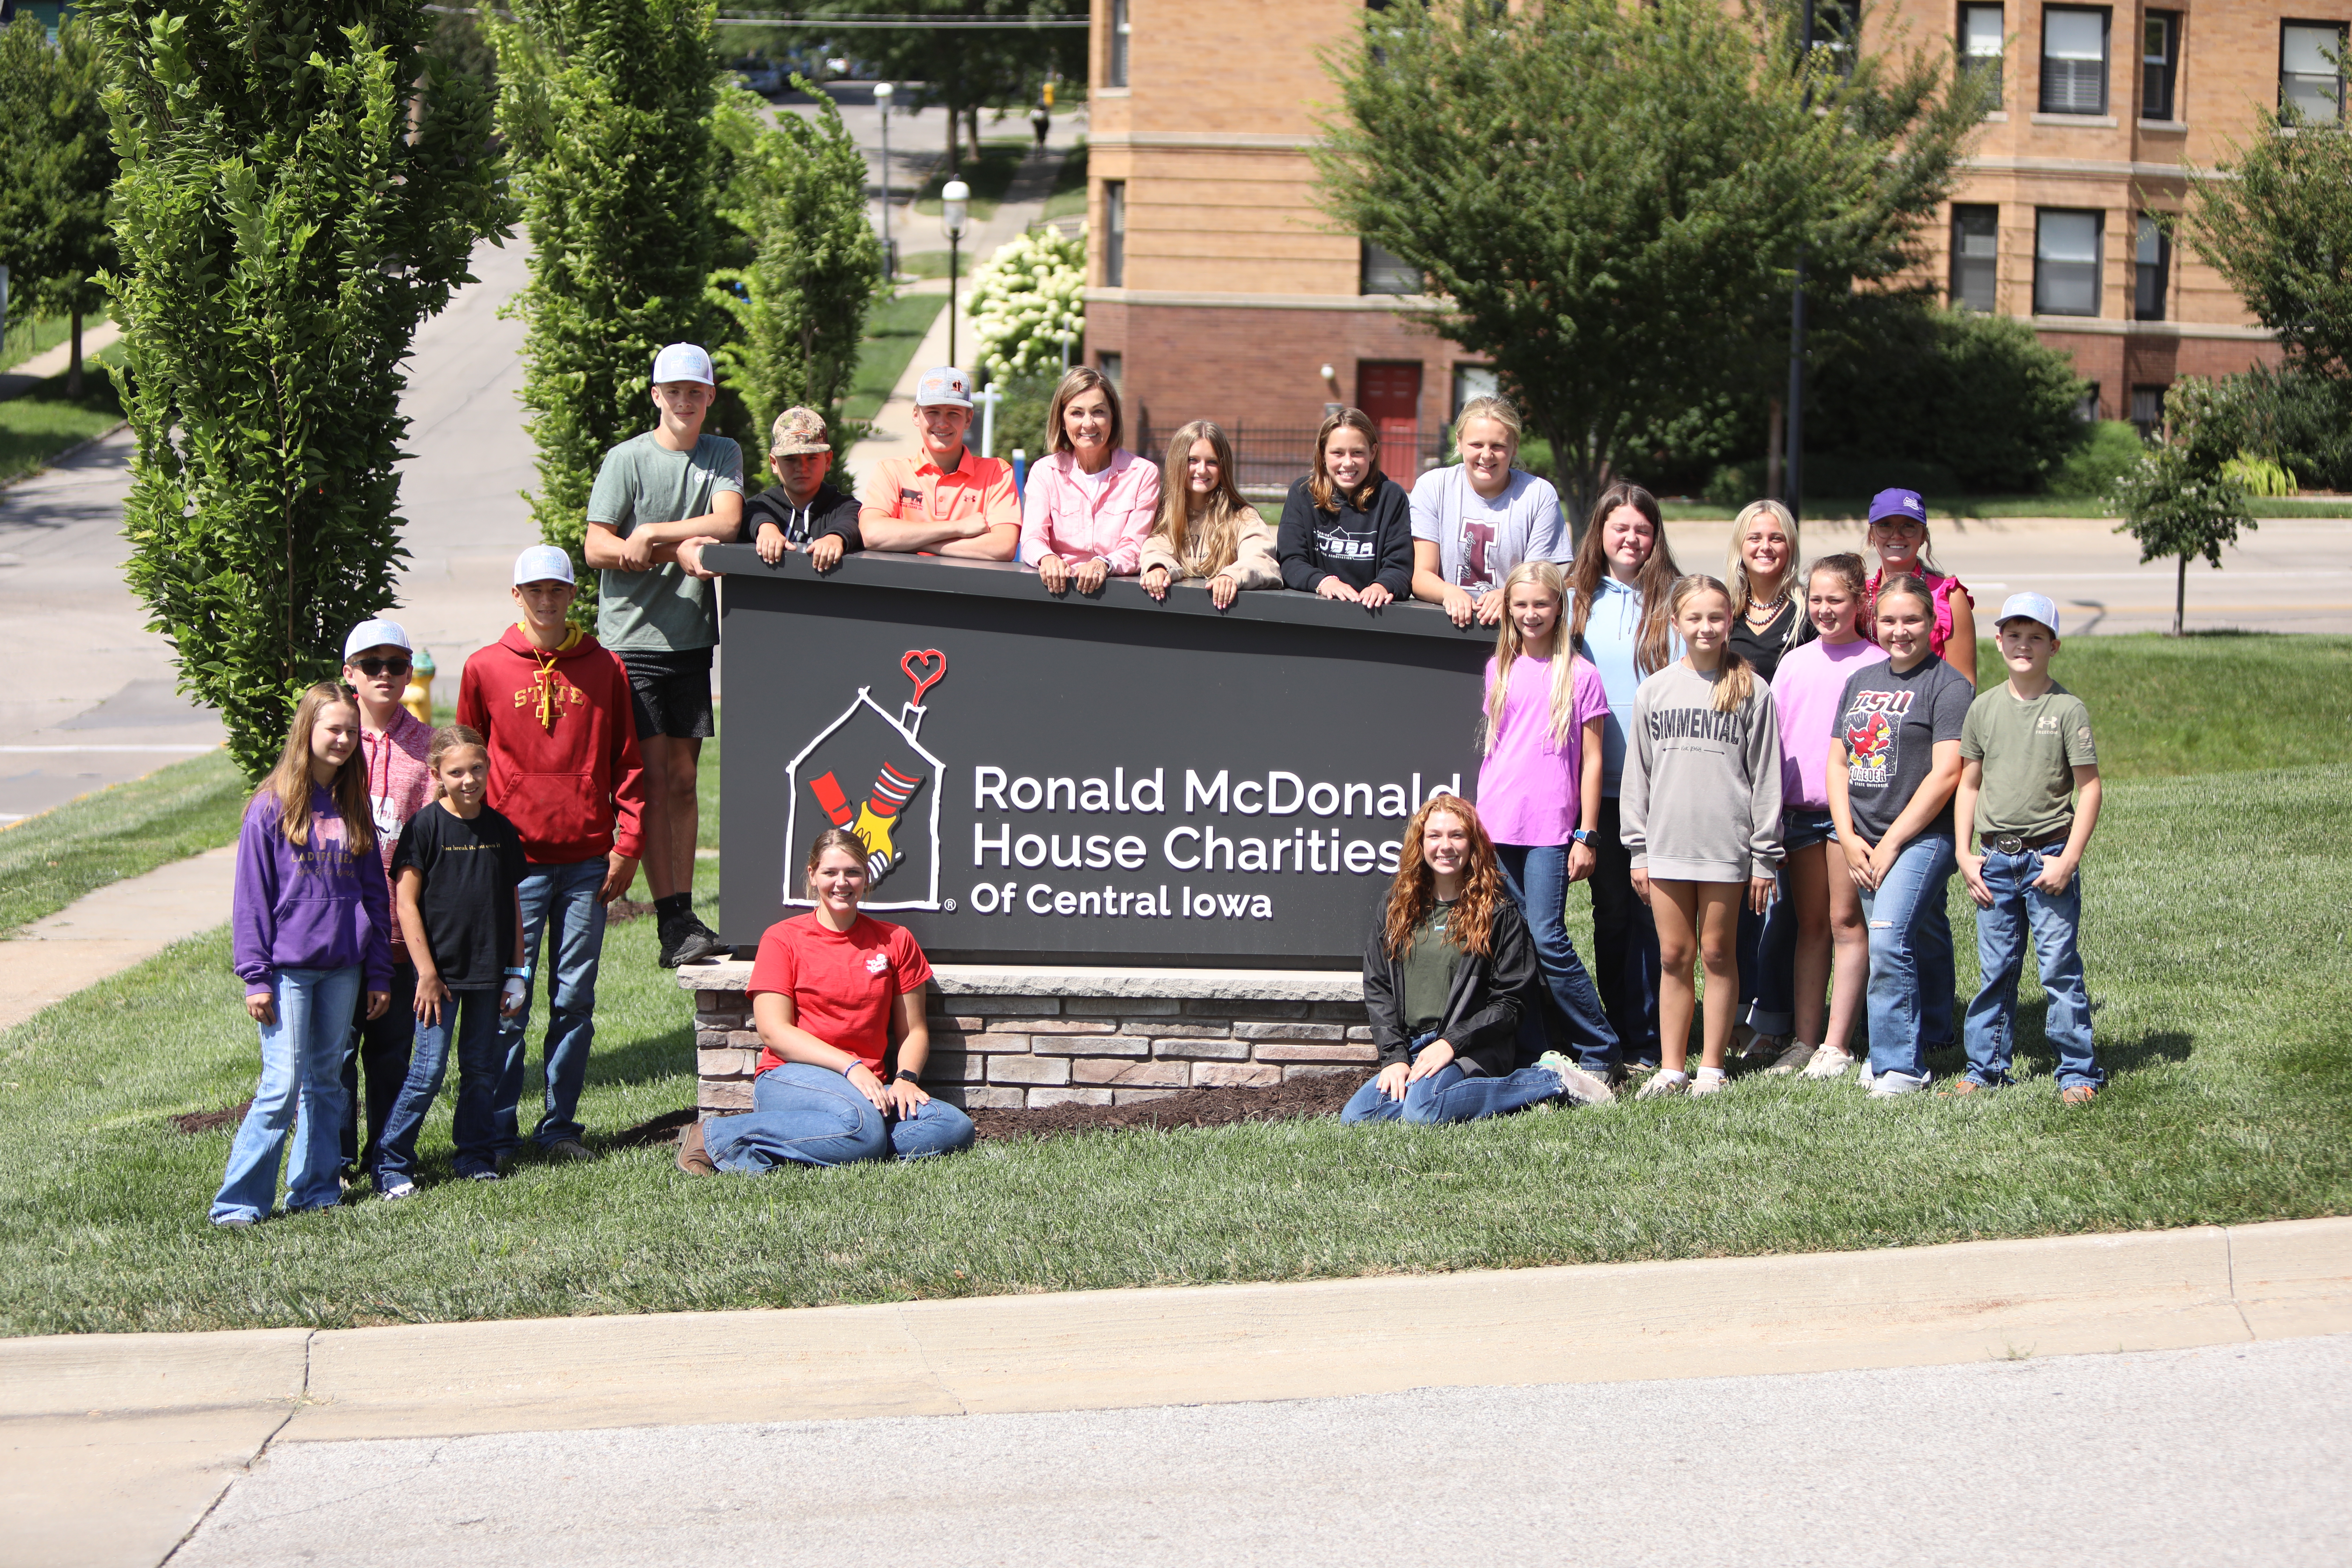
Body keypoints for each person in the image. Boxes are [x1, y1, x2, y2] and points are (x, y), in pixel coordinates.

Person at [456, 545, 648, 1168]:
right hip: (516, 866)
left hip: (589, 862)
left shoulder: (605, 668)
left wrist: (628, 845)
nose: (545, 601)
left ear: (573, 596)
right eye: (533, 591)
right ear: (516, 596)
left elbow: (628, 764)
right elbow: (464, 769)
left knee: (575, 1001)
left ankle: (560, 1127)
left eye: (556, 591)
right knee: (511, 998)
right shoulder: (485, 669)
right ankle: (500, 1129)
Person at [679, 826, 976, 1173]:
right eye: (830, 872)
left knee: (953, 1126)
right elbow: (775, 1032)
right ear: (812, 874)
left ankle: (836, 1142)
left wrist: (906, 1079)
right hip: (791, 1078)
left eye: (852, 872)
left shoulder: (896, 940)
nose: (842, 883)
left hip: (871, 1088)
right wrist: (851, 1067)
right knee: (864, 1128)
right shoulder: (783, 939)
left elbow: (914, 1030)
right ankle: (712, 1136)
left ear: (867, 876)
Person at [582, 341, 743, 968]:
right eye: (673, 391)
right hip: (633, 640)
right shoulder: (626, 460)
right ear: (656, 396)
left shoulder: (721, 453)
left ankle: (682, 916)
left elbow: (728, 522)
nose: (684, 401)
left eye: (695, 392)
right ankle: (671, 920)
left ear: (709, 397)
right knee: (650, 780)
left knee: (682, 781)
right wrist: (657, 550)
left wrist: (654, 532)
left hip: (690, 640)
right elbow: (596, 547)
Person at [211, 684, 392, 1225]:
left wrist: (378, 968)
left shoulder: (352, 802)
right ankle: (238, 1204)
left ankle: (316, 1191)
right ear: (306, 731)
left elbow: (374, 896)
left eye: (351, 731)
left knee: (326, 1083)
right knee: (281, 1086)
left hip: (344, 967)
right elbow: (251, 900)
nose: (342, 739)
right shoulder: (269, 806)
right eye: (332, 728)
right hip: (287, 972)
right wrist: (256, 977)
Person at [1344, 796, 1614, 1125]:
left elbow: (1510, 1003)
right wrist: (1395, 1057)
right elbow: (1378, 987)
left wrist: (1450, 1043)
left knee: (1424, 1110)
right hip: (1415, 1049)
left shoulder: (1499, 912)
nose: (1446, 846)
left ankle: (1552, 1080)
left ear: (1473, 844)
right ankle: (1483, 1099)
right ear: (1420, 843)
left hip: (1474, 1048)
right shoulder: (1395, 907)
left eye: (1457, 836)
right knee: (1358, 1117)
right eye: (1435, 836)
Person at [1620, 576, 1782, 1099]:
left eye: (1716, 617)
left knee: (1717, 953)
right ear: (1676, 624)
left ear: (1730, 622)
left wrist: (1763, 857)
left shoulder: (1753, 690)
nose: (1706, 626)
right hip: (1666, 847)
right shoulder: (1655, 689)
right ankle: (1673, 1067)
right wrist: (1638, 849)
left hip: (1726, 848)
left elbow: (1766, 778)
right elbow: (1638, 777)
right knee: (1674, 956)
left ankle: (1711, 1066)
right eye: (1695, 618)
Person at [1953, 592, 2105, 1104]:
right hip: (1994, 860)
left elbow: (2090, 788)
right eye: (2014, 635)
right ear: (1998, 641)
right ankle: (1986, 1067)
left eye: (2036, 636)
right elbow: (1968, 784)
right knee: (1996, 969)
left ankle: (2077, 1071)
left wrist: (2070, 858)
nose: (2024, 645)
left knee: (2058, 967)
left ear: (2054, 646)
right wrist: (1964, 852)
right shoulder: (1984, 709)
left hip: (2048, 858)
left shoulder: (2067, 709)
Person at [1826, 574, 1974, 1098]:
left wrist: (1890, 845)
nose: (1900, 630)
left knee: (1888, 937)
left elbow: (1946, 775)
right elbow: (1839, 761)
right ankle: (1931, 1030)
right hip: (1862, 835)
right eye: (1889, 620)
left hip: (1920, 836)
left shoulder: (1949, 686)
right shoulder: (1862, 681)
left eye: (1912, 619)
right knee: (1922, 927)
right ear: (1874, 623)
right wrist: (1846, 835)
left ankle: (1898, 1065)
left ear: (1932, 625)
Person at [1474, 560, 1619, 1077]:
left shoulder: (1582, 676)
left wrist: (1586, 832)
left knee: (1549, 937)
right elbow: (1500, 751)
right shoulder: (1500, 668)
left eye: (1541, 604)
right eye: (1521, 605)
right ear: (1508, 610)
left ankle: (1601, 1047)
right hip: (1496, 824)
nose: (1531, 614)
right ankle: (1538, 1049)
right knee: (1514, 941)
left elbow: (1594, 760)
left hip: (1551, 830)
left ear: (1560, 607)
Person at [375, 726, 530, 1195]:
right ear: (437, 773)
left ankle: (475, 1156)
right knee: (427, 1072)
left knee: (481, 1071)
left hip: (490, 973)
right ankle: (392, 1164)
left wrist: (518, 972)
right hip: (439, 979)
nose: (469, 779)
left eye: (477, 769)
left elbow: (514, 905)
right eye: (457, 771)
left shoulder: (500, 830)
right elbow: (405, 903)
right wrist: (425, 973)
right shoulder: (425, 827)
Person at [1565, 481, 1682, 1073]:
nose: (1632, 539)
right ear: (1601, 535)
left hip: (1663, 786)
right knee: (1612, 913)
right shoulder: (1573, 599)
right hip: (1596, 788)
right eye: (1620, 528)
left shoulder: (1677, 601)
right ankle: (1624, 1030)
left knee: (1655, 914)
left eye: (1642, 529)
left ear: (1655, 536)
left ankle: (1660, 1033)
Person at [1759, 555, 1878, 1079]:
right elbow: (1773, 740)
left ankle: (1837, 1043)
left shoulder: (1875, 663)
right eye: (1817, 600)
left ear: (1860, 602)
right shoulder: (1794, 662)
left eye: (1837, 600)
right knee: (1810, 927)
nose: (1825, 610)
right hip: (1800, 814)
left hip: (1850, 816)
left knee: (1845, 923)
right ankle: (1805, 1042)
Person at [337, 617, 434, 1191]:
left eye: (396, 665)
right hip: (340, 935)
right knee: (338, 1055)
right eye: (371, 665)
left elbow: (436, 846)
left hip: (399, 933)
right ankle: (339, 1161)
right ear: (349, 675)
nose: (384, 675)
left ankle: (389, 1157)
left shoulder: (425, 749)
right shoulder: (333, 741)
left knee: (394, 1057)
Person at [1722, 500, 1814, 1060]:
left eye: (1776, 538)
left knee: (1779, 901)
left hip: (1789, 766)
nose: (1765, 546)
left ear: (1790, 546)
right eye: (1754, 537)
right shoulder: (1723, 609)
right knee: (1730, 894)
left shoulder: (1806, 613)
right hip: (1727, 768)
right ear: (1740, 544)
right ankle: (1731, 1014)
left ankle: (1773, 1017)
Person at [1408, 395, 1566, 628]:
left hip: (1515, 632)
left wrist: (1507, 595)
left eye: (1498, 446)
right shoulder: (1433, 487)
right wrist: (1448, 592)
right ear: (1459, 442)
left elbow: (1543, 583)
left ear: (1514, 447)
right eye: (1477, 445)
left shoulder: (1539, 495)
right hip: (1445, 629)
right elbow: (1422, 576)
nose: (1486, 455)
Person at [1020, 366, 1161, 595]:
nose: (1088, 424)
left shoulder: (1143, 474)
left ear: (1113, 418)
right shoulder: (1044, 472)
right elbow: (1032, 539)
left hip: (1117, 597)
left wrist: (1102, 564)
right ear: (1062, 421)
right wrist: (1047, 559)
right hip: (1057, 595)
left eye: (1098, 412)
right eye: (1077, 413)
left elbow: (1135, 548)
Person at [857, 365, 1020, 561]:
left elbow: (1003, 547)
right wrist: (958, 528)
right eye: (933, 412)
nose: (943, 423)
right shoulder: (890, 471)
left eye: (954, 413)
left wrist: (909, 542)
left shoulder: (997, 473)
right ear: (916, 416)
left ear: (968, 419)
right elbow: (872, 535)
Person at [1276, 407, 1413, 609]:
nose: (1348, 463)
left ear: (1373, 452)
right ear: (1323, 454)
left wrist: (1383, 586)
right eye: (1338, 453)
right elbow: (1290, 561)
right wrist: (1324, 582)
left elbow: (1401, 567)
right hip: (1315, 613)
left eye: (1358, 453)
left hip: (1374, 615)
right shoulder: (1303, 493)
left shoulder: (1392, 497)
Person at [1139, 419, 1282, 608]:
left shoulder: (1243, 517)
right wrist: (1158, 568)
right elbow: (1156, 548)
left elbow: (1262, 560)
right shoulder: (1166, 515)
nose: (1202, 469)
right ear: (1177, 462)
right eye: (1193, 460)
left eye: (1212, 462)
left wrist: (1233, 575)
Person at [1861, 488, 1977, 686]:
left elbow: (1964, 684)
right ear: (1872, 534)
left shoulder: (1949, 596)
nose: (1896, 535)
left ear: (1923, 535)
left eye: (1909, 526)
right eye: (1885, 526)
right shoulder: (1860, 594)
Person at [745, 406, 862, 571]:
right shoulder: (760, 506)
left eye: (812, 458)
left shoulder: (844, 507)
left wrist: (835, 538)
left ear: (828, 460)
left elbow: (851, 520)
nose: (802, 467)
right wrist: (766, 529)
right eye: (790, 459)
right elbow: (751, 514)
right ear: (774, 463)